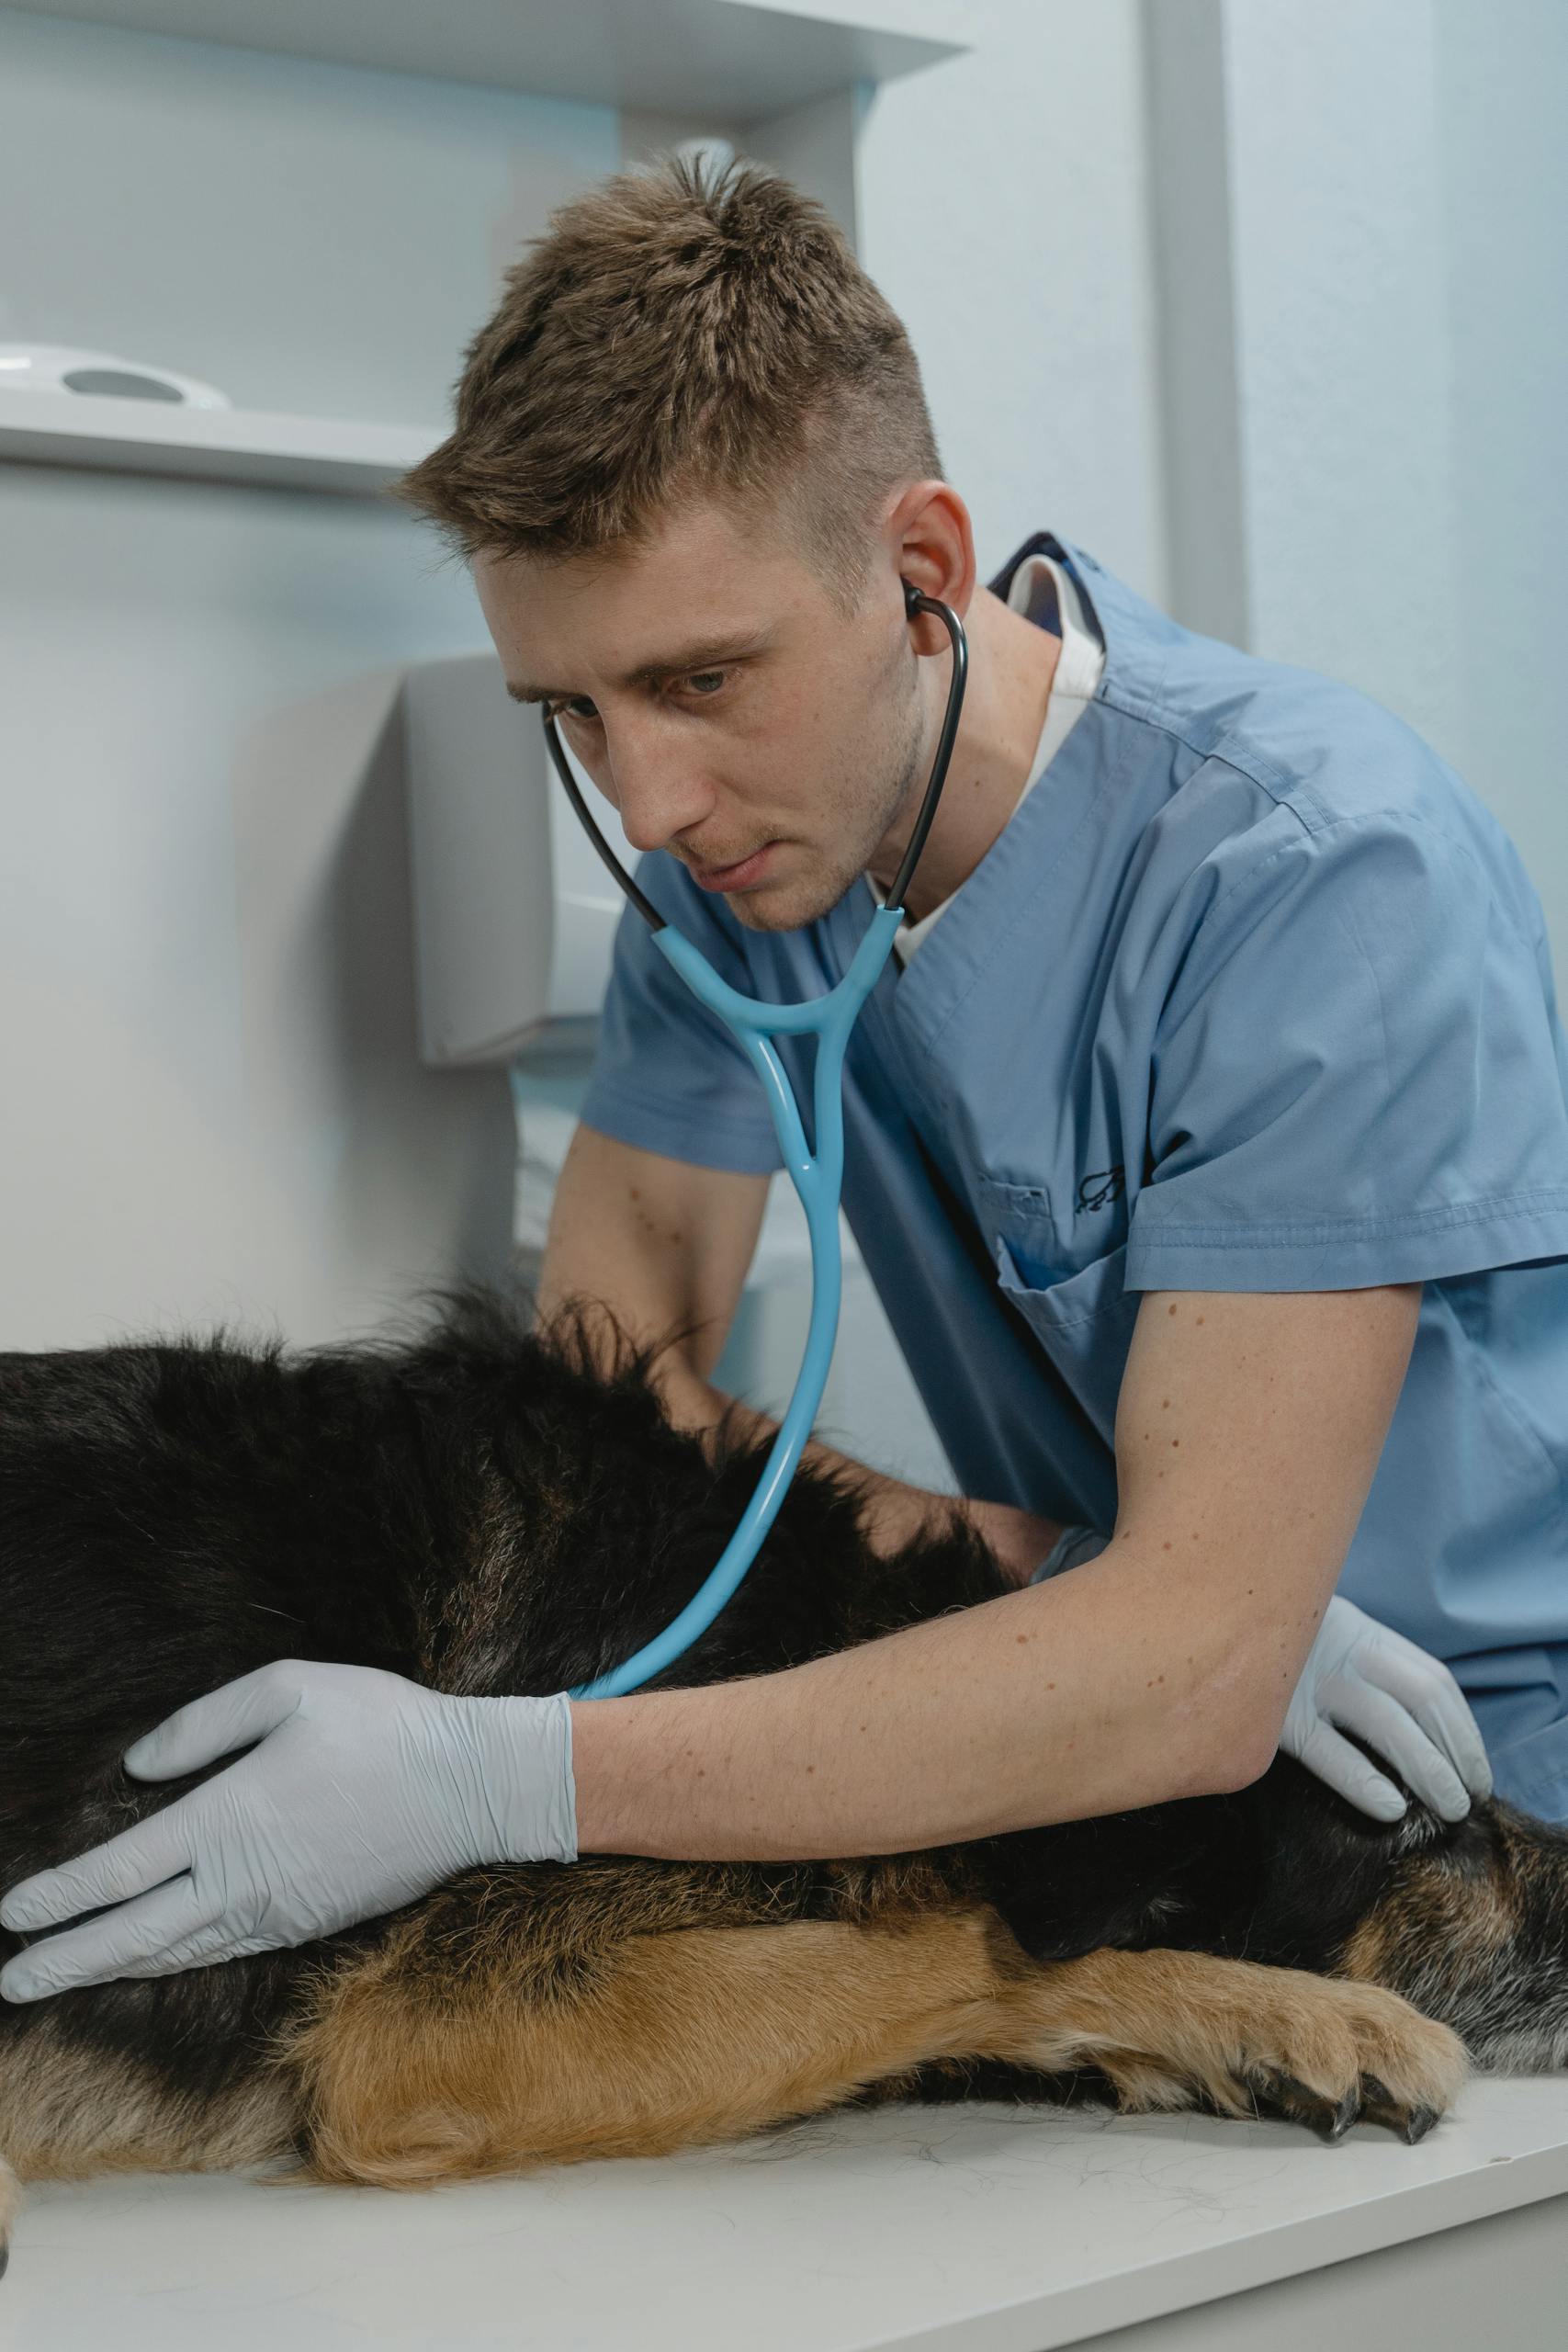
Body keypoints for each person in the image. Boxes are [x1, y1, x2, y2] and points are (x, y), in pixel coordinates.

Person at [6, 153, 1566, 2004]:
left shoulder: (1306, 876)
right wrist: (1045, 1558)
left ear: (918, 571)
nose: (648, 805)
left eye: (700, 678)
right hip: (1125, 1773)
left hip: (1486, 1813)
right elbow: (612, 1374)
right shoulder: (752, 881)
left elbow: (1194, 1670)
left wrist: (505, 1776)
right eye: (573, 710)